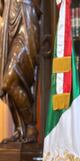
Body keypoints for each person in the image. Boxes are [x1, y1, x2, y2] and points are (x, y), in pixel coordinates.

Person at [0, 0, 41, 143]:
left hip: (26, 23)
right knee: (8, 84)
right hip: (8, 26)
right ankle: (20, 129)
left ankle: (30, 126)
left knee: (9, 80)